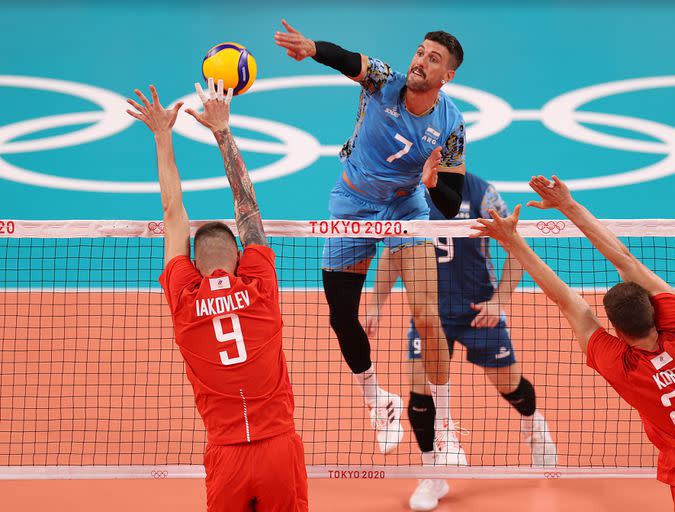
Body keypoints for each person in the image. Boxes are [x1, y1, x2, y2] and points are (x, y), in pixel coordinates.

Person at [472, 175, 675, 512]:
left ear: (615, 329)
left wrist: (512, 242)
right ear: (655, 313)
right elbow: (625, 260)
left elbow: (567, 301)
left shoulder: (622, 366)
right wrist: (569, 206)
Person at [275, 20, 467, 459]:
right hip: (353, 203)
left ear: (447, 76)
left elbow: (452, 205)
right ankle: (379, 402)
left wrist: (433, 183)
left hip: (405, 206)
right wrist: (312, 48)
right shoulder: (384, 81)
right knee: (342, 317)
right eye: (420, 52)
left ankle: (445, 426)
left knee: (427, 316)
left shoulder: (451, 125)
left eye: (433, 59)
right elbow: (347, 59)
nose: (421, 61)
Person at [127, 80, 308, 512]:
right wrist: (222, 131)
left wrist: (162, 134)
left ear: (194, 264)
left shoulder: (184, 299)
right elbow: (247, 205)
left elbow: (173, 213)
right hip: (279, 450)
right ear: (241, 256)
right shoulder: (261, 287)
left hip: (226, 454)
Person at [366, 172, 557, 511]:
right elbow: (391, 255)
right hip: (429, 312)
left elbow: (515, 247)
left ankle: (532, 423)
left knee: (510, 386)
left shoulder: (482, 194)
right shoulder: (409, 197)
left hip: (477, 309)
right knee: (419, 391)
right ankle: (432, 472)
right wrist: (376, 305)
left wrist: (499, 300)